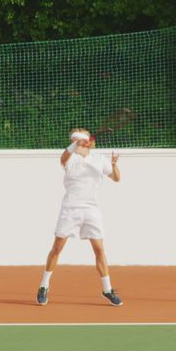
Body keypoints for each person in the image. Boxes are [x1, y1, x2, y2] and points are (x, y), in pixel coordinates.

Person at [37, 128, 123, 306]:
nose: (74, 140)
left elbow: (116, 178)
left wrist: (114, 164)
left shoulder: (99, 159)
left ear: (86, 141)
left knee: (99, 249)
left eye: (77, 138)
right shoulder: (70, 158)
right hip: (70, 209)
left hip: (91, 209)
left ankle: (107, 290)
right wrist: (75, 145)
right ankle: (44, 286)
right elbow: (62, 158)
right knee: (57, 248)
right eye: (72, 139)